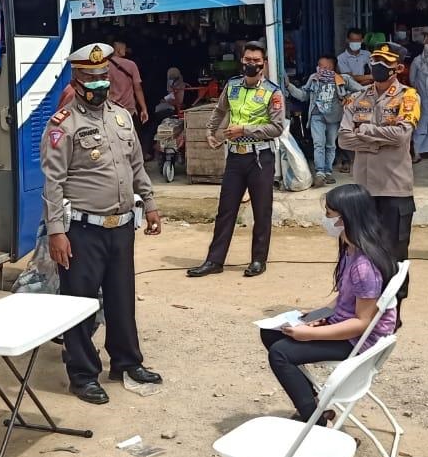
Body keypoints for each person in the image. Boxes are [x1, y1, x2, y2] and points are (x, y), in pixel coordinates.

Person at [41, 43, 163, 405]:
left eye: (103, 78)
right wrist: (56, 232)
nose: (99, 84)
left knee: (121, 298)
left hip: (122, 226)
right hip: (82, 230)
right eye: (91, 78)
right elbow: (52, 182)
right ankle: (82, 373)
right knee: (78, 303)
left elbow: (137, 166)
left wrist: (151, 205)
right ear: (76, 81)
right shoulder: (63, 124)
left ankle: (126, 362)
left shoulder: (122, 118)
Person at [259, 184, 399, 423]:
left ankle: (314, 419)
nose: (325, 220)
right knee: (270, 333)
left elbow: (361, 323)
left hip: (358, 341)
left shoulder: (364, 266)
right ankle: (315, 403)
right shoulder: (351, 249)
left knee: (280, 353)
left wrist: (310, 335)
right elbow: (344, 299)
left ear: (346, 219)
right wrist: (316, 316)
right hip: (347, 327)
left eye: (330, 214)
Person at [187, 41, 285, 279]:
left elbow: (277, 127)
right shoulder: (232, 87)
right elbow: (220, 110)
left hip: (260, 157)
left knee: (261, 211)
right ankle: (214, 260)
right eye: (248, 60)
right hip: (234, 157)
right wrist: (210, 132)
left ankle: (258, 260)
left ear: (264, 64)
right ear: (242, 60)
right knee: (225, 210)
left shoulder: (273, 92)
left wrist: (245, 130)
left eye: (256, 61)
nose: (251, 64)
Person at [338, 41, 419, 318]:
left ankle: (394, 312)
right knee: (358, 250)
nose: (377, 67)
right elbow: (343, 138)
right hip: (362, 189)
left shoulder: (408, 97)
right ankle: (357, 308)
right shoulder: (357, 98)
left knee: (394, 253)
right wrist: (374, 142)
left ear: (398, 67)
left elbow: (402, 136)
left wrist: (366, 131)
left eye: (384, 62)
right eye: (374, 61)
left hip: (394, 188)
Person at [286, 55, 356, 185]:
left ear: (331, 67)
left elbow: (360, 90)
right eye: (319, 65)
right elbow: (303, 95)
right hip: (317, 116)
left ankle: (328, 172)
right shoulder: (313, 79)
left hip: (334, 117)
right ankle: (320, 173)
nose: (319, 68)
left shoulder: (343, 79)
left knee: (330, 145)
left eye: (323, 66)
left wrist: (349, 97)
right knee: (319, 144)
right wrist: (289, 86)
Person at [336, 28, 372, 173]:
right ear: (347, 40)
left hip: (367, 94)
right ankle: (346, 160)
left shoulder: (368, 55)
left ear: (362, 41)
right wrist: (367, 78)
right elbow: (347, 78)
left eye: (357, 41)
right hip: (349, 95)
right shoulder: (341, 58)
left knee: (365, 124)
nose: (355, 43)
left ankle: (364, 158)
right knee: (347, 126)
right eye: (352, 40)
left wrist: (362, 78)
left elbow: (373, 73)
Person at [108, 40, 149, 125]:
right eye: (124, 48)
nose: (126, 50)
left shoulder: (105, 65)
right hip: (129, 110)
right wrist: (144, 109)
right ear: (118, 49)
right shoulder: (131, 65)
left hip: (111, 109)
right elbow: (138, 89)